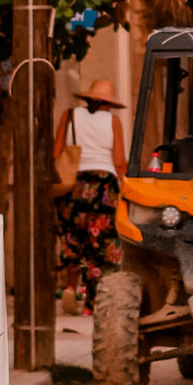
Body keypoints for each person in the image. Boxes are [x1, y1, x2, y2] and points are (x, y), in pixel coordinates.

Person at [53, 78, 126, 314]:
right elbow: (119, 160)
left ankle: (70, 287)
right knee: (101, 243)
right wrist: (124, 186)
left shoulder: (70, 115)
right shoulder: (114, 122)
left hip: (74, 183)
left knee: (73, 238)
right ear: (109, 103)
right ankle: (92, 303)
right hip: (104, 186)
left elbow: (57, 150)